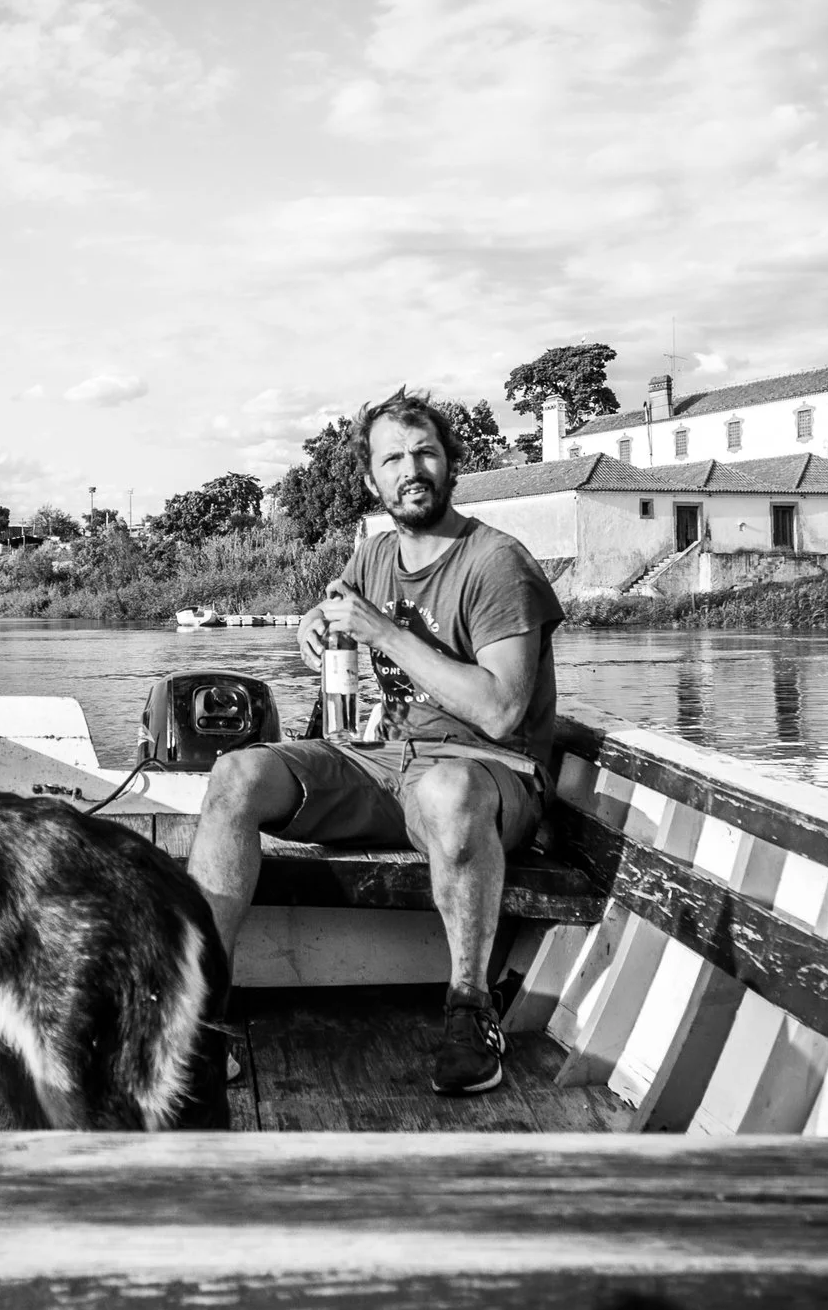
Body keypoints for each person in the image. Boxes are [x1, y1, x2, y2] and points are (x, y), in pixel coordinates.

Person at [187, 387, 563, 1096]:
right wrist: (312, 626)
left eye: (425, 452)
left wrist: (386, 633)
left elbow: (503, 709)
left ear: (452, 464)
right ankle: (204, 1017)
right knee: (235, 775)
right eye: (393, 457)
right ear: (372, 479)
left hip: (482, 776)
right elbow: (338, 609)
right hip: (374, 761)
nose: (410, 468)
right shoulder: (375, 552)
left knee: (449, 790)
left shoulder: (496, 563)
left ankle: (469, 1009)